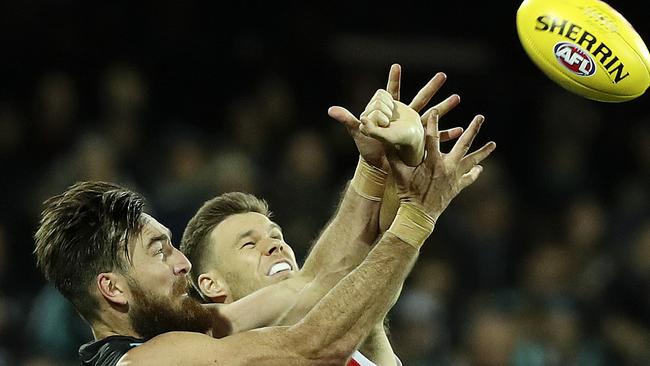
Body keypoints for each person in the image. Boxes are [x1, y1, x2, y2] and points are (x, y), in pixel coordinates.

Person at [33, 68, 495, 366]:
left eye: (173, 245)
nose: (183, 264)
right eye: (160, 252)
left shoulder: (199, 335)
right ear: (112, 288)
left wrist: (372, 167)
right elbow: (314, 346)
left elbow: (310, 283)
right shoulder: (146, 362)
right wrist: (417, 216)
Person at [179, 64, 466, 366]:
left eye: (276, 236)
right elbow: (325, 280)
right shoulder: (207, 349)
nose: (276, 246)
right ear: (212, 285)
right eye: (249, 245)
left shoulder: (346, 336)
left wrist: (403, 154)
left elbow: (362, 269)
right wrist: (409, 205)